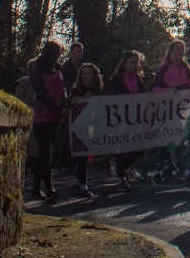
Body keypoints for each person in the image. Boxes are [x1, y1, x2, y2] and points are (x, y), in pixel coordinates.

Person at [152, 39, 190, 182]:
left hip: (182, 111)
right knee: (166, 139)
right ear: (171, 51)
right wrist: (167, 91)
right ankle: (159, 169)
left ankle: (171, 166)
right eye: (178, 49)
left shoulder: (186, 67)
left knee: (178, 138)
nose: (181, 52)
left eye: (182, 49)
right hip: (166, 110)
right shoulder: (164, 68)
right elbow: (154, 89)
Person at [26, 41, 67, 202]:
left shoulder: (58, 68)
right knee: (45, 151)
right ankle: (49, 187)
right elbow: (40, 92)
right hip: (42, 113)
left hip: (56, 115)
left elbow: (62, 90)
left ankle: (36, 187)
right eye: (58, 53)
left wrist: (63, 106)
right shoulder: (36, 68)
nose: (59, 56)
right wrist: (56, 107)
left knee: (46, 150)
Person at [105, 51, 149, 191]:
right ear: (125, 63)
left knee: (138, 147)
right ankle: (121, 178)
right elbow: (112, 96)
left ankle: (124, 168)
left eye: (136, 63)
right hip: (121, 118)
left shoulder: (139, 78)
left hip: (136, 118)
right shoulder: (118, 78)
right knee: (121, 147)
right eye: (131, 62)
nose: (134, 66)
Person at [67, 61, 105, 198]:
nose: (85, 76)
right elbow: (72, 106)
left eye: (88, 73)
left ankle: (77, 179)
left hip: (93, 126)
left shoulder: (98, 90)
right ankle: (83, 185)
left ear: (94, 76)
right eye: (83, 73)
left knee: (85, 157)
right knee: (82, 156)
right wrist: (83, 99)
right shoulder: (77, 90)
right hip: (80, 127)